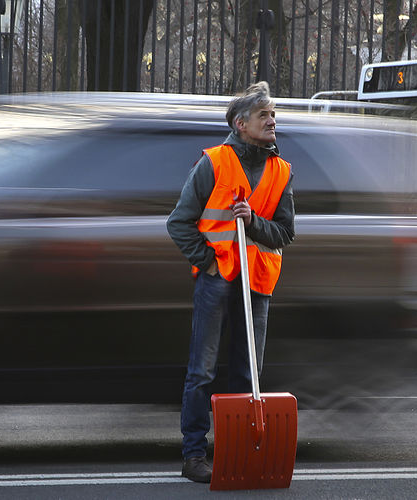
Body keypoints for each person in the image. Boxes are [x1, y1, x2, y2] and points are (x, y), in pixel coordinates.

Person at [166, 81, 295, 483]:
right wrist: (208, 263)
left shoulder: (281, 171)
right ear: (241, 124)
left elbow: (285, 233)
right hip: (217, 281)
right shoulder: (214, 163)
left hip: (257, 283)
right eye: (264, 115)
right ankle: (193, 456)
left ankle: (240, 452)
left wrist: (253, 222)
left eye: (273, 114)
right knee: (202, 371)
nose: (272, 121)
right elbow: (178, 223)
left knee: (248, 372)